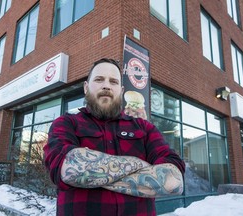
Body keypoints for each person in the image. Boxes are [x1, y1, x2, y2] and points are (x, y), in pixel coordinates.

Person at [43, 58, 185, 216]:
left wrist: (92, 171)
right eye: (99, 79)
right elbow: (65, 167)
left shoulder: (144, 128)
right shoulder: (66, 123)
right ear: (85, 87)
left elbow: (174, 180)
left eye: (113, 81)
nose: (106, 85)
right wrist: (145, 168)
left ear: (122, 90)